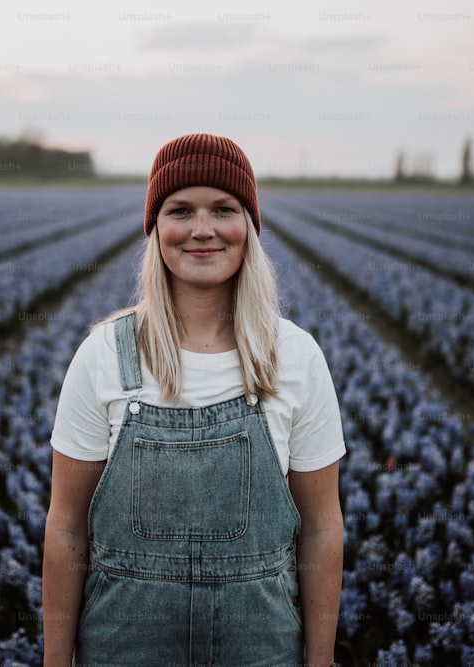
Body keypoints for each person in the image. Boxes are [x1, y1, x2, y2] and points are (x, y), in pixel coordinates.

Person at [42, 132, 345, 666]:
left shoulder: (296, 357)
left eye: (223, 209)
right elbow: (66, 528)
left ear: (248, 228)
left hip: (260, 651)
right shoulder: (103, 356)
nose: (202, 231)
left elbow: (322, 528)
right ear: (155, 229)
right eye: (180, 210)